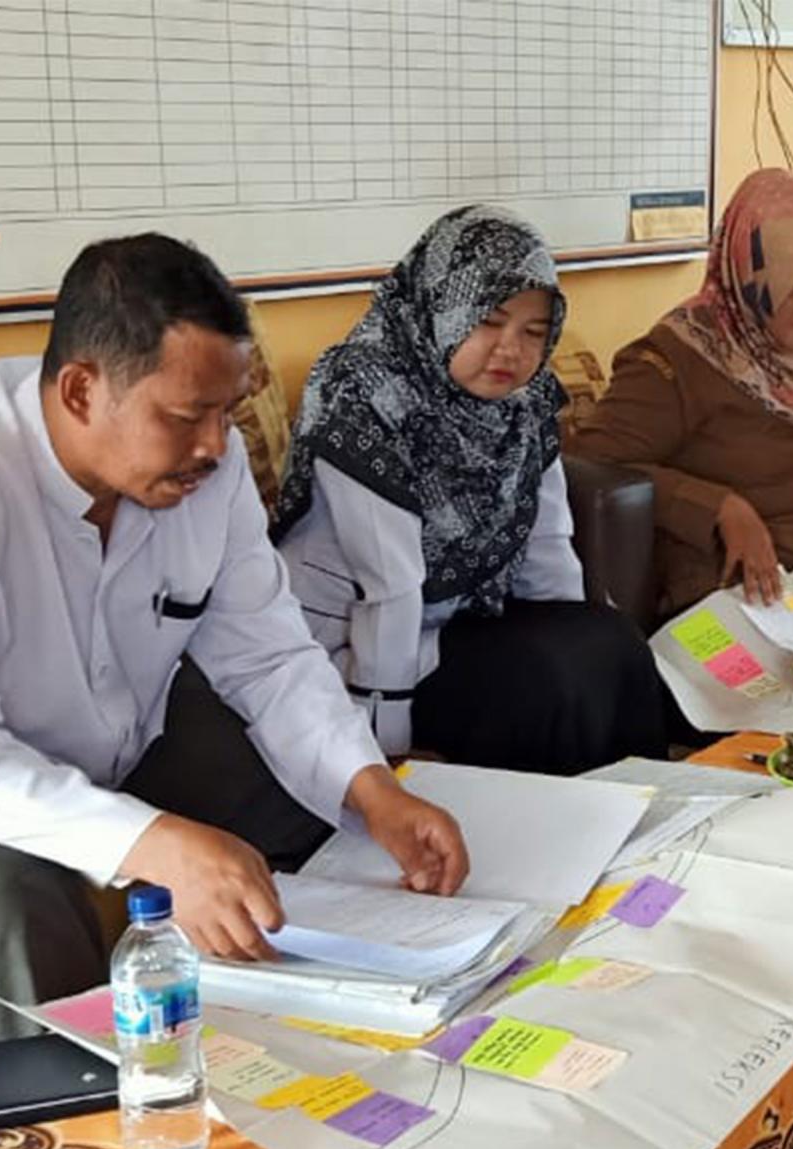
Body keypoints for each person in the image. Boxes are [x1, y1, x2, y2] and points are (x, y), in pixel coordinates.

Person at [0, 234, 468, 1050]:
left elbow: (270, 655)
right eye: (189, 416)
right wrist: (153, 842)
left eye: (228, 410)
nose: (218, 447)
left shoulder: (199, 473)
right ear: (81, 390)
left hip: (96, 743)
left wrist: (373, 792)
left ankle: (349, 1041)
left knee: (304, 797)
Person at [274, 207, 668, 775]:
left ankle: (647, 830)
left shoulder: (523, 404)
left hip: (459, 625)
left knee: (612, 645)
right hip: (357, 652)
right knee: (541, 684)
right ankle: (553, 842)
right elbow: (390, 583)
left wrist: (583, 640)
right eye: (489, 321)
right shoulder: (363, 391)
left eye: (533, 332)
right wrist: (384, 746)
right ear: (441, 304)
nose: (510, 349)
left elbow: (549, 542)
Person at [566, 168, 793, 615]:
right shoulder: (683, 355)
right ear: (751, 270)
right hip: (752, 583)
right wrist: (717, 506)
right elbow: (591, 467)